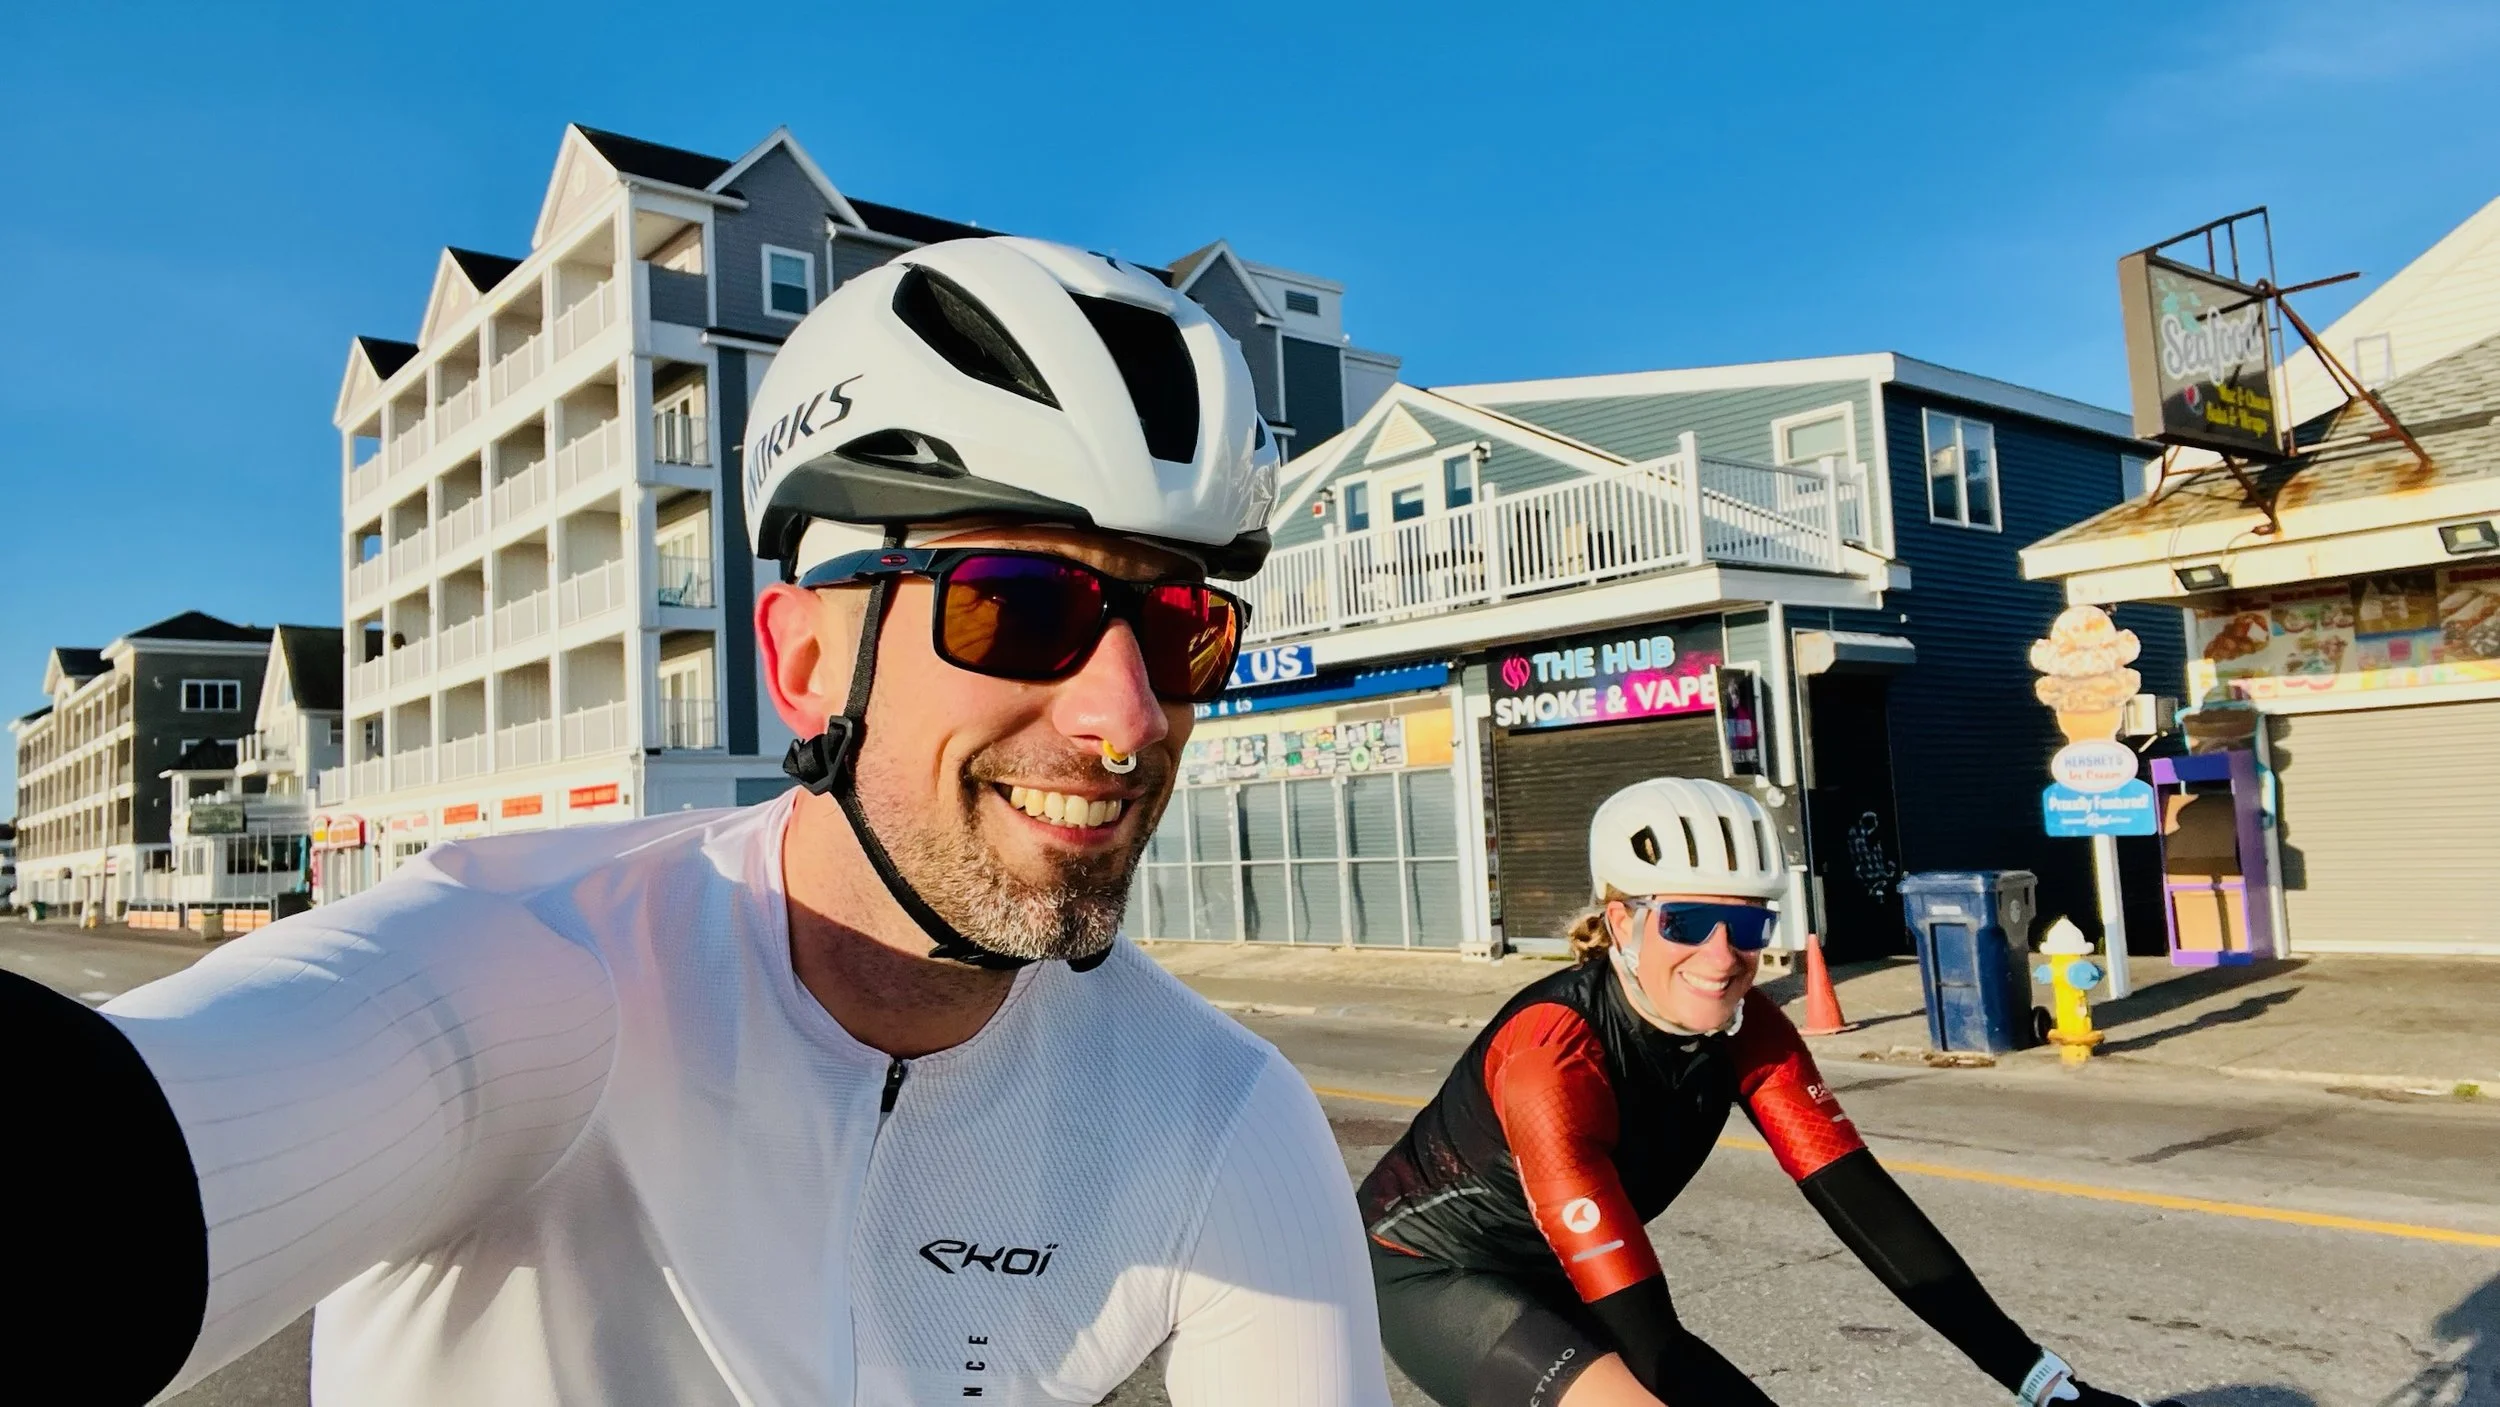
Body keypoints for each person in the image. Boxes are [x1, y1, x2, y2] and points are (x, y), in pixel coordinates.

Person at [2, 237, 1388, 1405]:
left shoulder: (1217, 1111)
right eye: (1020, 606)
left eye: (1182, 626)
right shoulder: (516, 975)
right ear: (803, 661)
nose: (1129, 715)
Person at [1358, 777, 2179, 1407]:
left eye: (1748, 924)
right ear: (1622, 922)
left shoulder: (1749, 1027)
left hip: (1557, 1275)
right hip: (1433, 1270)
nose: (1722, 956)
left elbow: (1872, 1212)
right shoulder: (1553, 1056)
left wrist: (2045, 1384)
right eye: (1686, 922)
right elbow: (1653, 1341)